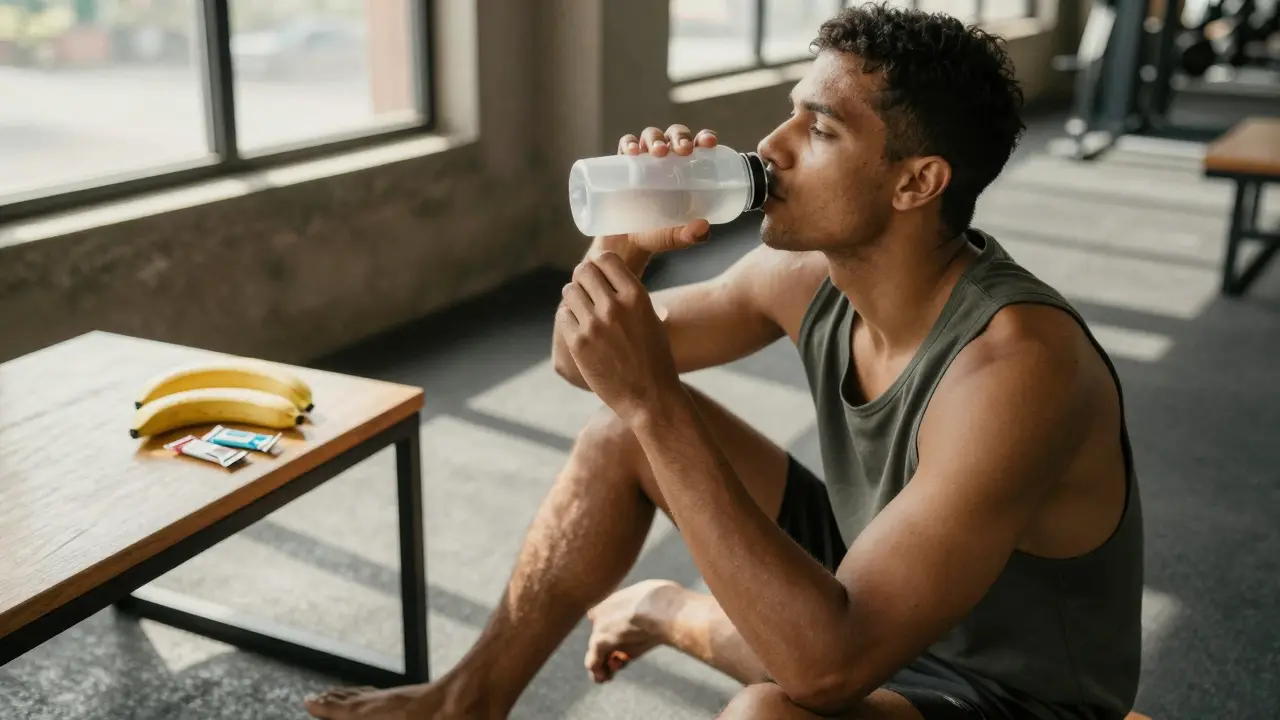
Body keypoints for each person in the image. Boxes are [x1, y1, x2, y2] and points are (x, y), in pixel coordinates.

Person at [305, 3, 1143, 719]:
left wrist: (655, 403)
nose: (771, 148)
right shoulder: (802, 277)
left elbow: (827, 670)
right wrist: (625, 249)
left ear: (916, 182)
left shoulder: (1017, 366)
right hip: (872, 587)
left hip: (1006, 695)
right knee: (618, 438)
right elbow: (579, 359)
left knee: (768, 712)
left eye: (818, 129)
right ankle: (466, 703)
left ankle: (674, 612)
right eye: (791, 113)